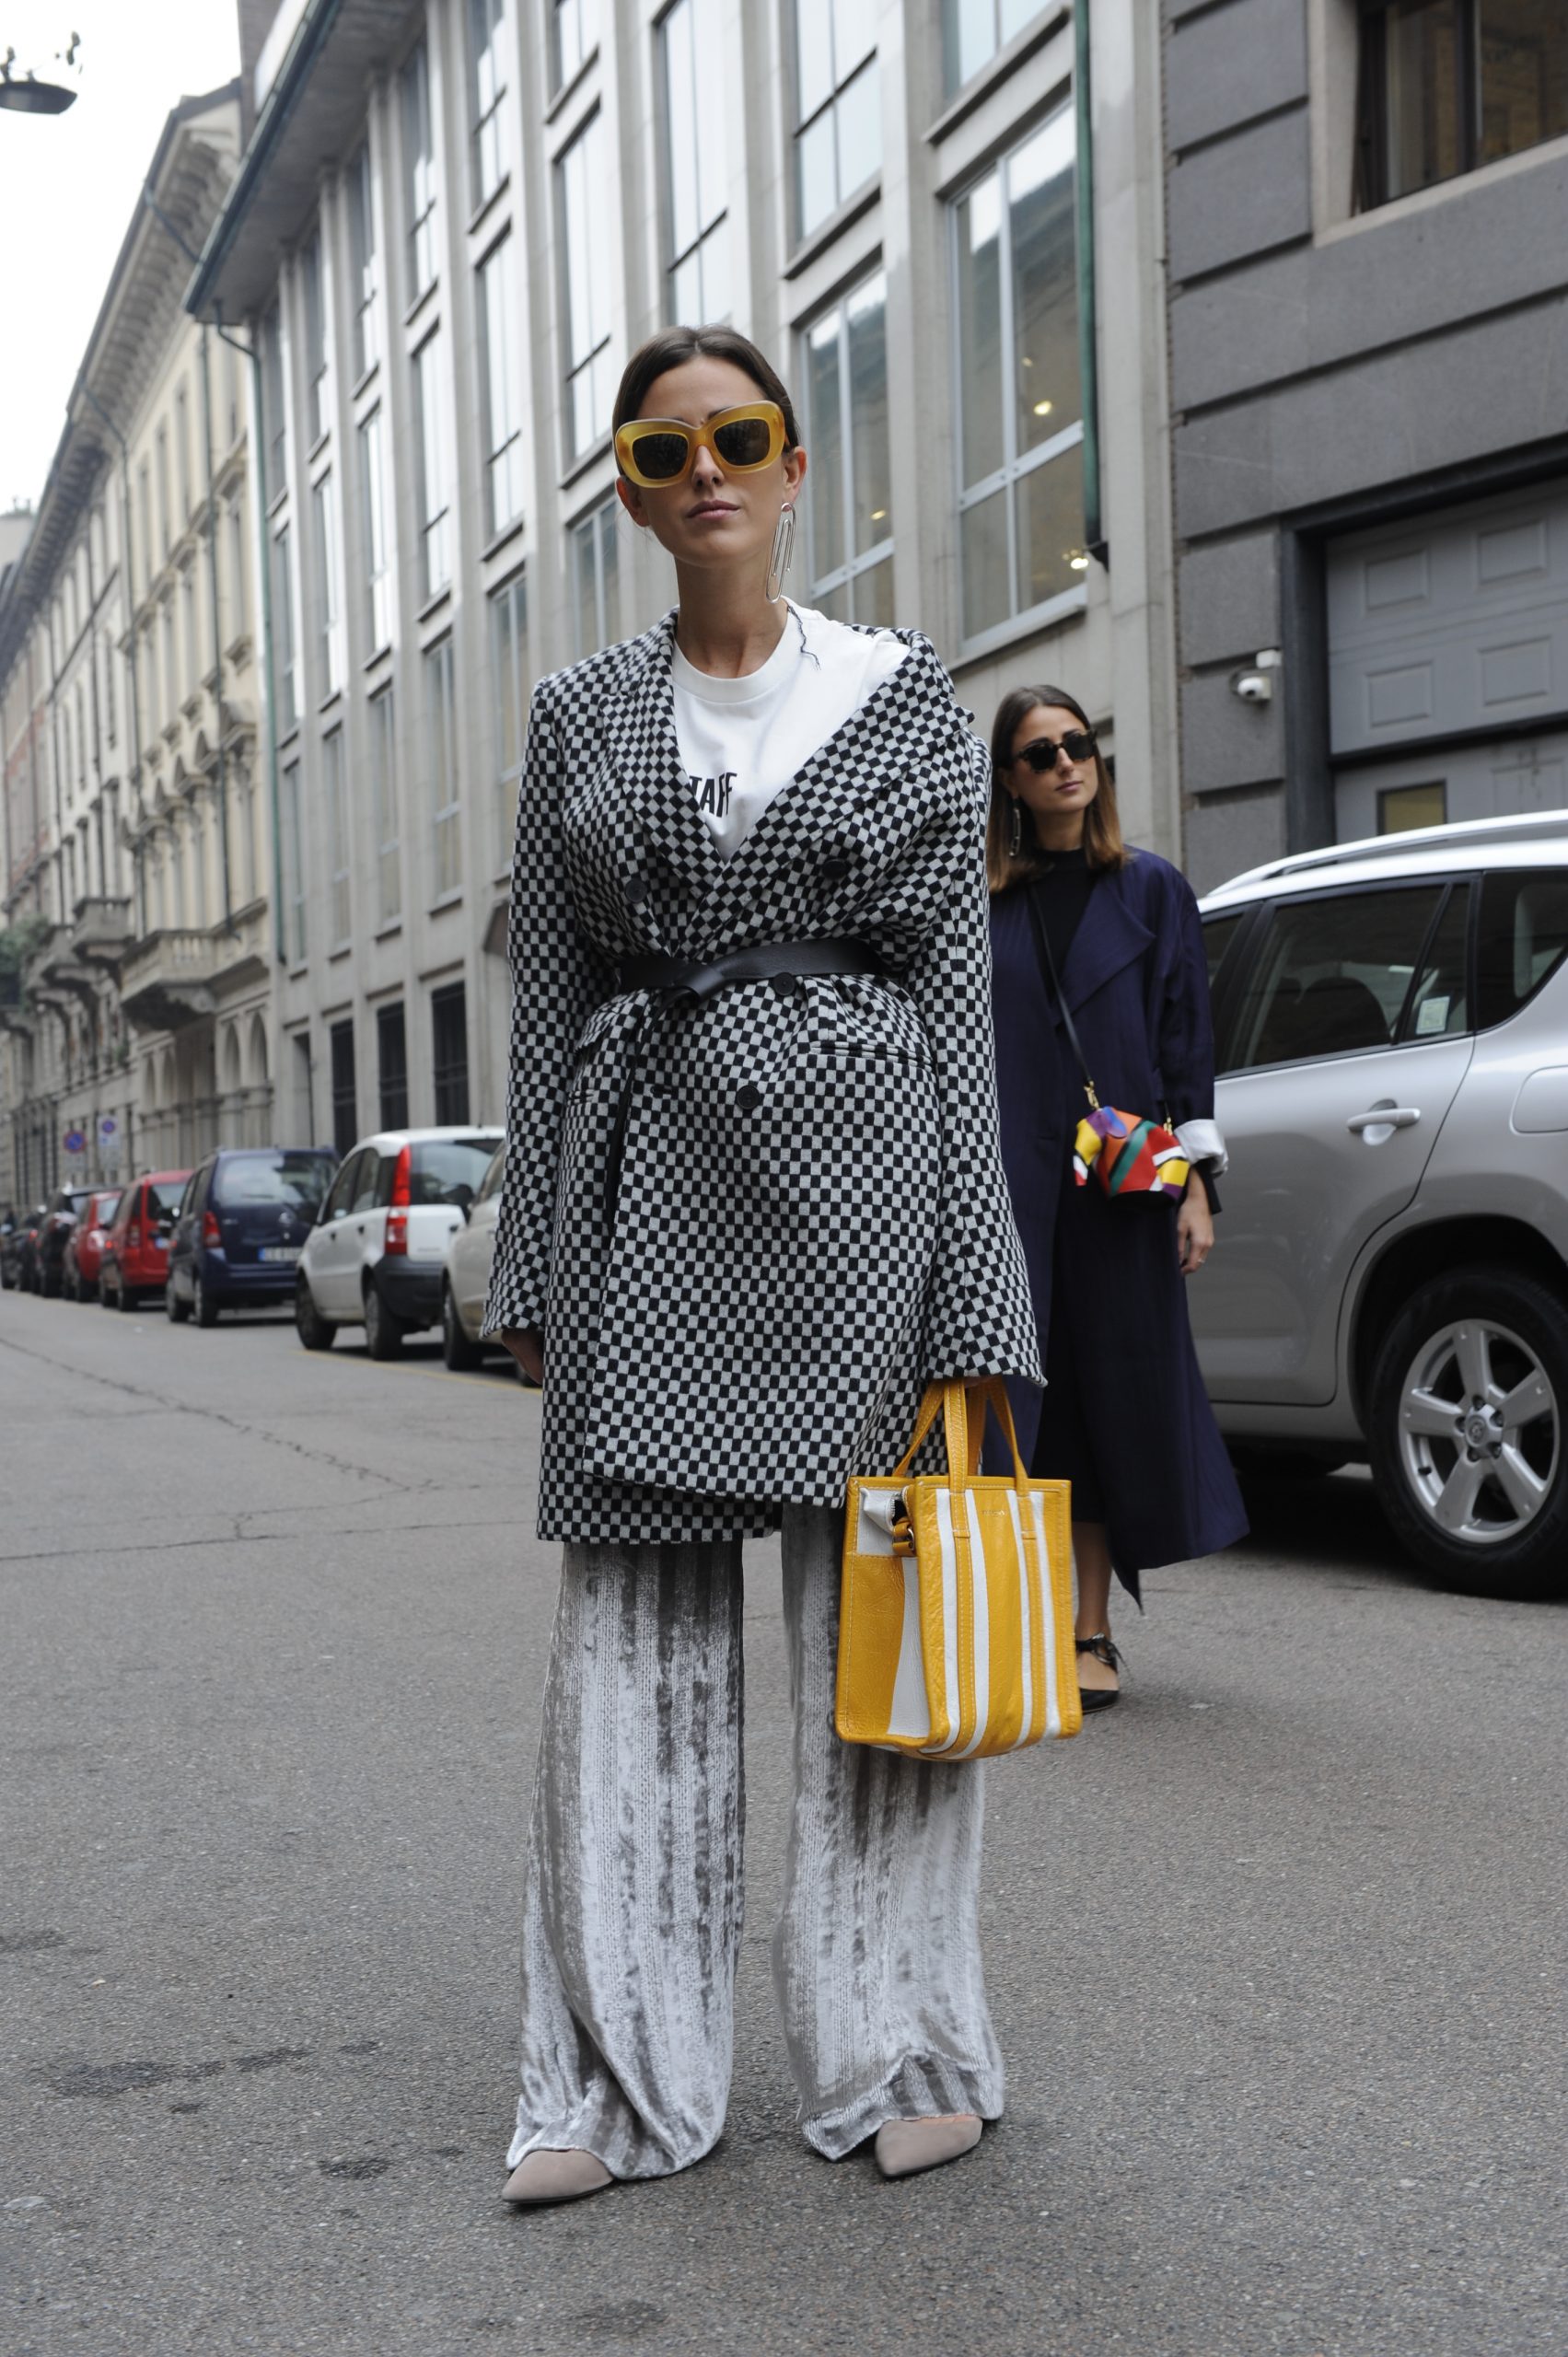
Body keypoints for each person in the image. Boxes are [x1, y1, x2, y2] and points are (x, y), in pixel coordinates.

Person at [482, 326, 1041, 2205]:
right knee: (626, 1667)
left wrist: (979, 1303)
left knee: (872, 1659)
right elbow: (548, 994)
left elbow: (961, 1019)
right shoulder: (574, 715)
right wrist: (533, 1272)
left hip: (871, 1211)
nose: (704, 467)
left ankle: (901, 2044)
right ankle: (615, 2080)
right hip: (648, 1202)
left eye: (739, 435)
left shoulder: (908, 701)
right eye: (663, 448)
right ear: (629, 492)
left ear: (794, 466)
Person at [986, 686, 1247, 1706]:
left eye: (1076, 745)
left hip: (1117, 1191)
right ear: (1008, 779)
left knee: (1102, 1410)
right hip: (1005, 1188)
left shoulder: (1149, 890)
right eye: (1038, 752)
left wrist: (1193, 1187)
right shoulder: (981, 902)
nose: (1063, 764)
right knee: (1017, 1412)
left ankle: (1088, 1632)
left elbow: (1185, 1041)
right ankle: (1004, 1614)